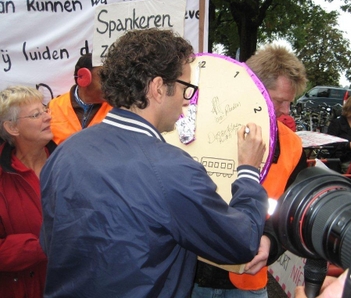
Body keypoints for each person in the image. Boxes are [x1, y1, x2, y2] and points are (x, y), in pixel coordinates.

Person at [40, 28, 268, 298]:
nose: (187, 102)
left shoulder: (64, 152)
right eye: (187, 89)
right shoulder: (170, 168)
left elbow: (50, 242)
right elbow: (241, 242)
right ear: (159, 88)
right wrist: (249, 172)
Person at [192, 44, 308, 297]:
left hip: (248, 281)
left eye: (290, 102)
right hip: (188, 276)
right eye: (279, 101)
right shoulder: (195, 129)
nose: (286, 111)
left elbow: (290, 212)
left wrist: (271, 242)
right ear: (252, 90)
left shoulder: (292, 145)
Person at [0, 85, 55, 298]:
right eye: (36, 114)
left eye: (45, 109)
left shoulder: (68, 161)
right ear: (12, 128)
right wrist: (41, 246)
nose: (47, 117)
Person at [48, 53, 113, 144]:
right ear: (84, 77)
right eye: (104, 77)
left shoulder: (118, 108)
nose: (113, 84)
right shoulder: (53, 107)